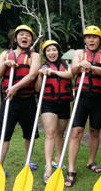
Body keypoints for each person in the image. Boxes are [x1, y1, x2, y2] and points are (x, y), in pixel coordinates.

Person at [65, 25, 101, 187]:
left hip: (99, 98)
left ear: (99, 40)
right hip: (81, 97)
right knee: (76, 132)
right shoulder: (78, 53)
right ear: (85, 39)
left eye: (95, 37)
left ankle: (91, 161)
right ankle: (71, 169)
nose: (91, 40)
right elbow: (72, 71)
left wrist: (91, 67)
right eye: (88, 37)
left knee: (95, 131)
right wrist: (80, 65)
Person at [0, 25, 41, 173]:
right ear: (16, 38)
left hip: (27, 100)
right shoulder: (5, 54)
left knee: (29, 134)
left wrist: (15, 87)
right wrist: (4, 65)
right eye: (21, 35)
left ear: (31, 39)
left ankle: (27, 162)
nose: (24, 37)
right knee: (4, 134)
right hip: (9, 100)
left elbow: (32, 75)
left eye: (28, 35)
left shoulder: (35, 56)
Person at [35, 40, 73, 183]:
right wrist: (40, 75)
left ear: (58, 51)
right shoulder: (42, 67)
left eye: (54, 50)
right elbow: (38, 89)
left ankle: (58, 159)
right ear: (45, 53)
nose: (51, 53)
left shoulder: (65, 65)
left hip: (63, 103)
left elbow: (69, 75)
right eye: (48, 50)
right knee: (50, 133)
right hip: (48, 103)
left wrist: (53, 72)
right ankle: (49, 165)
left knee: (60, 133)